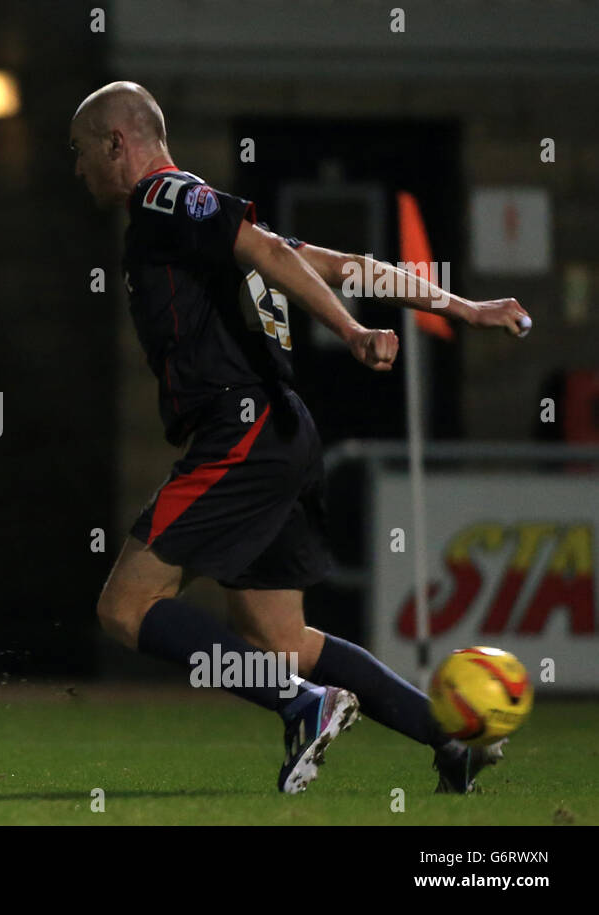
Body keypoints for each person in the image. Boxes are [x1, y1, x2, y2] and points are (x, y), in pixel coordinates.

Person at [70, 82, 532, 793]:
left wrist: (347, 331)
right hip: (283, 431)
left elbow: (267, 250)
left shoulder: (166, 200)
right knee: (281, 640)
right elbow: (334, 261)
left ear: (116, 144)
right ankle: (449, 737)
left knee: (124, 607)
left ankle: (304, 705)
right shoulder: (200, 221)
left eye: (81, 153)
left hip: (238, 430)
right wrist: (462, 306)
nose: (79, 170)